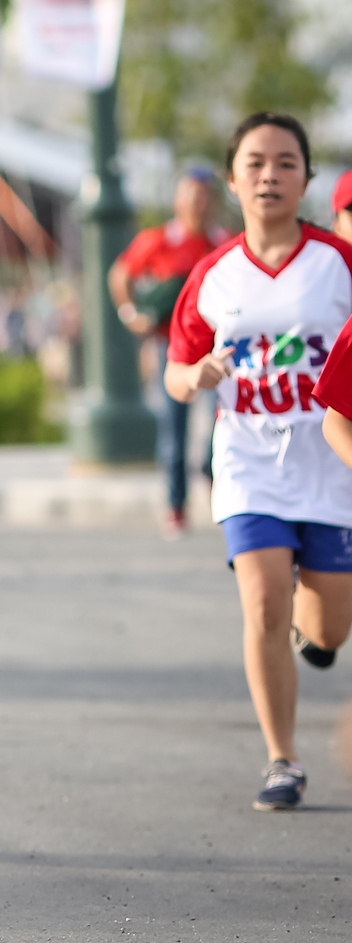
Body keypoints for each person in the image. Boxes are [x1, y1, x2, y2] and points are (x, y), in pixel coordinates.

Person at [165, 112, 352, 812]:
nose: (269, 175)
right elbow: (174, 373)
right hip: (248, 462)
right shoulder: (213, 276)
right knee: (265, 599)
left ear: (306, 177)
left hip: (332, 463)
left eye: (285, 162)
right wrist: (197, 378)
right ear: (233, 179)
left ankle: (319, 631)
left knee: (331, 627)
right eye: (255, 163)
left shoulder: (338, 263)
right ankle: (283, 758)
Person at [109, 167, 226, 536]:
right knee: (174, 427)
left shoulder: (223, 241)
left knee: (220, 423)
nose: (199, 204)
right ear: (178, 201)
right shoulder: (159, 239)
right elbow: (121, 274)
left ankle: (217, 489)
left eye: (205, 196)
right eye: (192, 196)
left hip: (217, 349)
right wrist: (132, 314)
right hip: (170, 344)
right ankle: (176, 505)